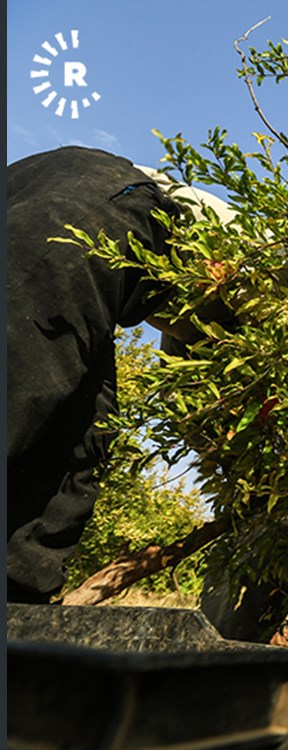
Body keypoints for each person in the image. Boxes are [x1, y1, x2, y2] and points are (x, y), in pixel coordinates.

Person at [6, 146, 240, 605]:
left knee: (84, 430)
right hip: (102, 198)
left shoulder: (196, 329)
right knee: (23, 370)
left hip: (68, 193)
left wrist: (217, 451)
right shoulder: (264, 283)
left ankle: (18, 606)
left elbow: (185, 384)